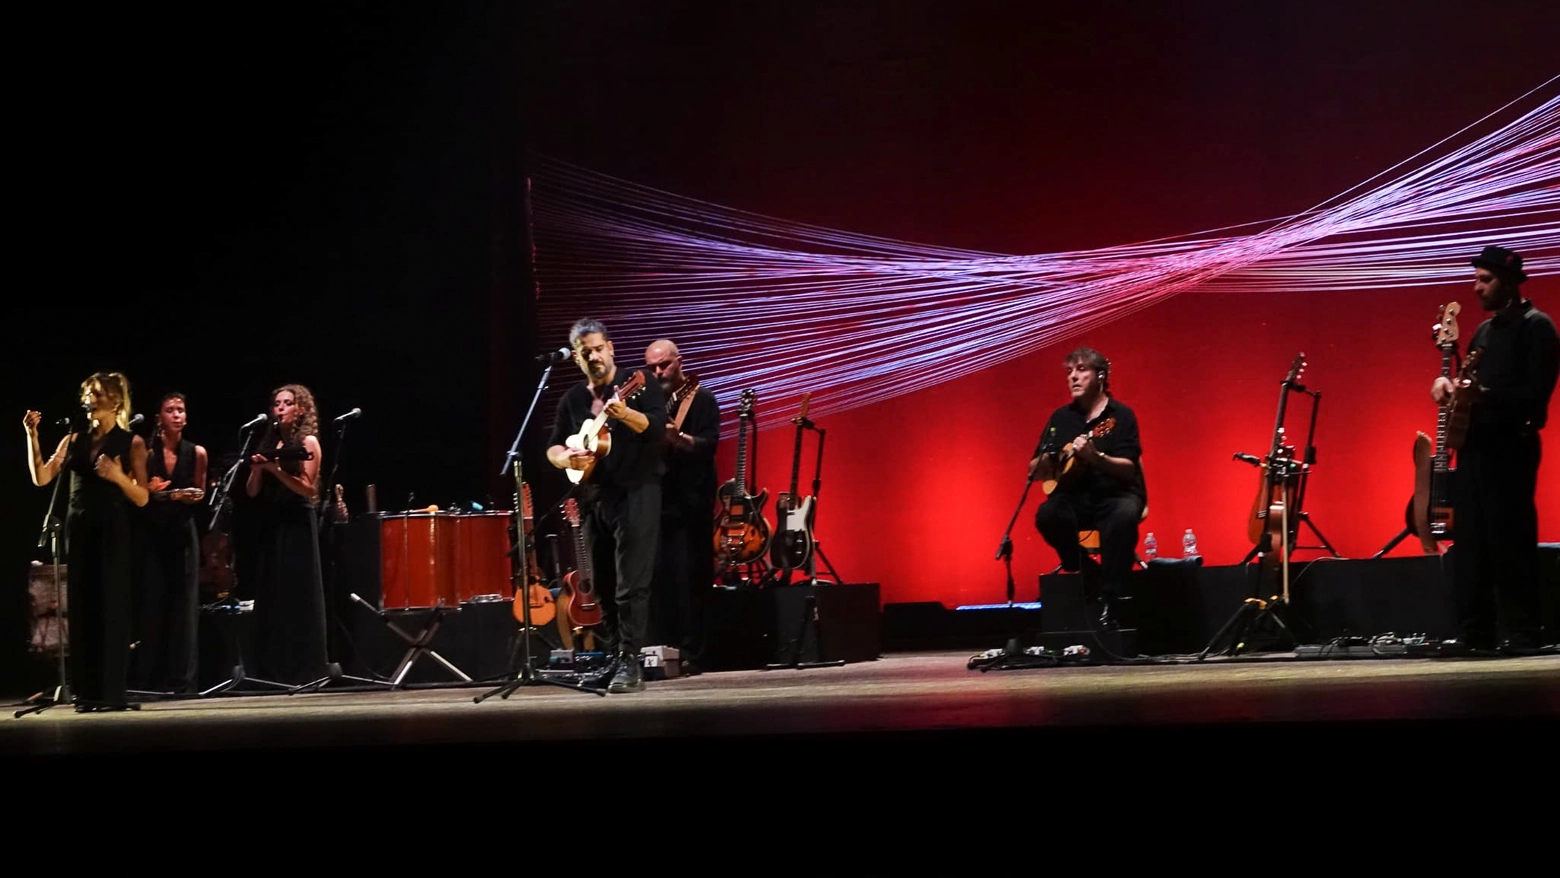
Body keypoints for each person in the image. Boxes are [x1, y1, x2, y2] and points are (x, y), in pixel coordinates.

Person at [1431, 245, 1558, 655]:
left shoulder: (1538, 327)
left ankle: (1524, 632)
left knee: (1510, 538)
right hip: (1476, 447)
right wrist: (1450, 389)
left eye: (1484, 280)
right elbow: (1471, 389)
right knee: (1472, 541)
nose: (1476, 288)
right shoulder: (1484, 332)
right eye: (1476, 279)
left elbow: (1536, 394)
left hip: (1511, 445)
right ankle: (1475, 633)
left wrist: (1482, 395)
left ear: (1507, 281)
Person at [547, 319, 667, 693]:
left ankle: (631, 663)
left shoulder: (637, 384)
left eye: (598, 348)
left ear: (611, 348)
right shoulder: (573, 399)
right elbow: (552, 447)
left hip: (637, 492)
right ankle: (614, 657)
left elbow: (658, 428)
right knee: (601, 585)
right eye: (585, 352)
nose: (594, 356)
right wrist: (566, 459)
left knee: (631, 584)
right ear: (577, 359)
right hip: (593, 498)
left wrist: (625, 414)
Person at [24, 372, 151, 712]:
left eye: (97, 393)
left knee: (110, 608)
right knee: (81, 609)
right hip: (78, 529)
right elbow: (42, 477)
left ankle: (111, 693)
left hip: (112, 529)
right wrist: (31, 435)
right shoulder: (73, 440)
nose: (91, 399)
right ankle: (87, 693)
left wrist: (118, 476)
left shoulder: (131, 442)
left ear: (116, 401)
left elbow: (142, 497)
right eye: (88, 393)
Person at [1029, 348, 1147, 628]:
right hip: (1076, 496)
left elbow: (1129, 468)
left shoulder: (1120, 416)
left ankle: (1113, 597)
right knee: (1047, 515)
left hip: (1116, 492)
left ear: (1101, 376)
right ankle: (1084, 569)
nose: (1073, 377)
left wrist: (1096, 458)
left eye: (1081, 370)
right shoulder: (1060, 418)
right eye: (1070, 371)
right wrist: (1050, 460)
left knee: (1122, 516)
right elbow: (1035, 471)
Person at [243, 383, 330, 684]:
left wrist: (276, 470)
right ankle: (271, 669)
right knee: (272, 594)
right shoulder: (269, 442)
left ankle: (305, 669)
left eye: (287, 403)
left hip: (297, 524)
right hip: (272, 523)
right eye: (276, 403)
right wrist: (257, 469)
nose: (279, 408)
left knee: (298, 595)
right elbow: (252, 492)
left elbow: (309, 489)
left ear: (301, 409)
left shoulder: (308, 443)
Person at [645, 338, 720, 675]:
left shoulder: (701, 399)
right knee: (659, 582)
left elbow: (709, 444)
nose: (658, 371)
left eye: (664, 365)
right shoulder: (650, 403)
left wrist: (680, 439)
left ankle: (694, 653)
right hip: (658, 504)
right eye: (653, 367)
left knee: (691, 580)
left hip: (691, 504)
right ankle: (661, 651)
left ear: (679, 362)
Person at [132, 392, 208, 694]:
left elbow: (199, 494)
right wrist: (162, 494)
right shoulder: (147, 453)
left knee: (185, 606)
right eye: (170, 410)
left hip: (183, 533)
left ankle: (183, 680)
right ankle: (148, 677)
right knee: (153, 603)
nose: (177, 415)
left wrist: (185, 496)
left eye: (181, 410)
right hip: (153, 533)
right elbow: (137, 495)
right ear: (159, 418)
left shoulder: (197, 452)